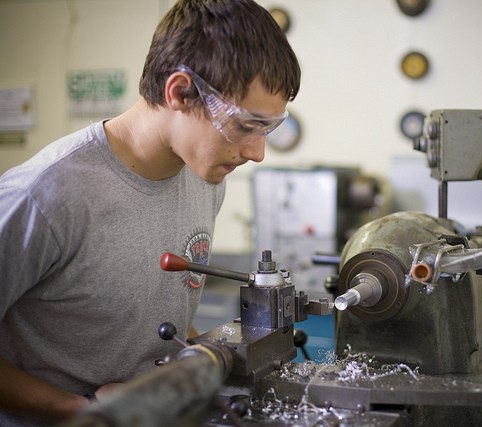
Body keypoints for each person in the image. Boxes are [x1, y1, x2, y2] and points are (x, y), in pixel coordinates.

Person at [0, 0, 300, 424]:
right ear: (178, 92)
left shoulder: (204, 177)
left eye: (267, 130)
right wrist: (87, 410)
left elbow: (159, 323)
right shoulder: (45, 195)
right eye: (244, 126)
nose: (257, 153)